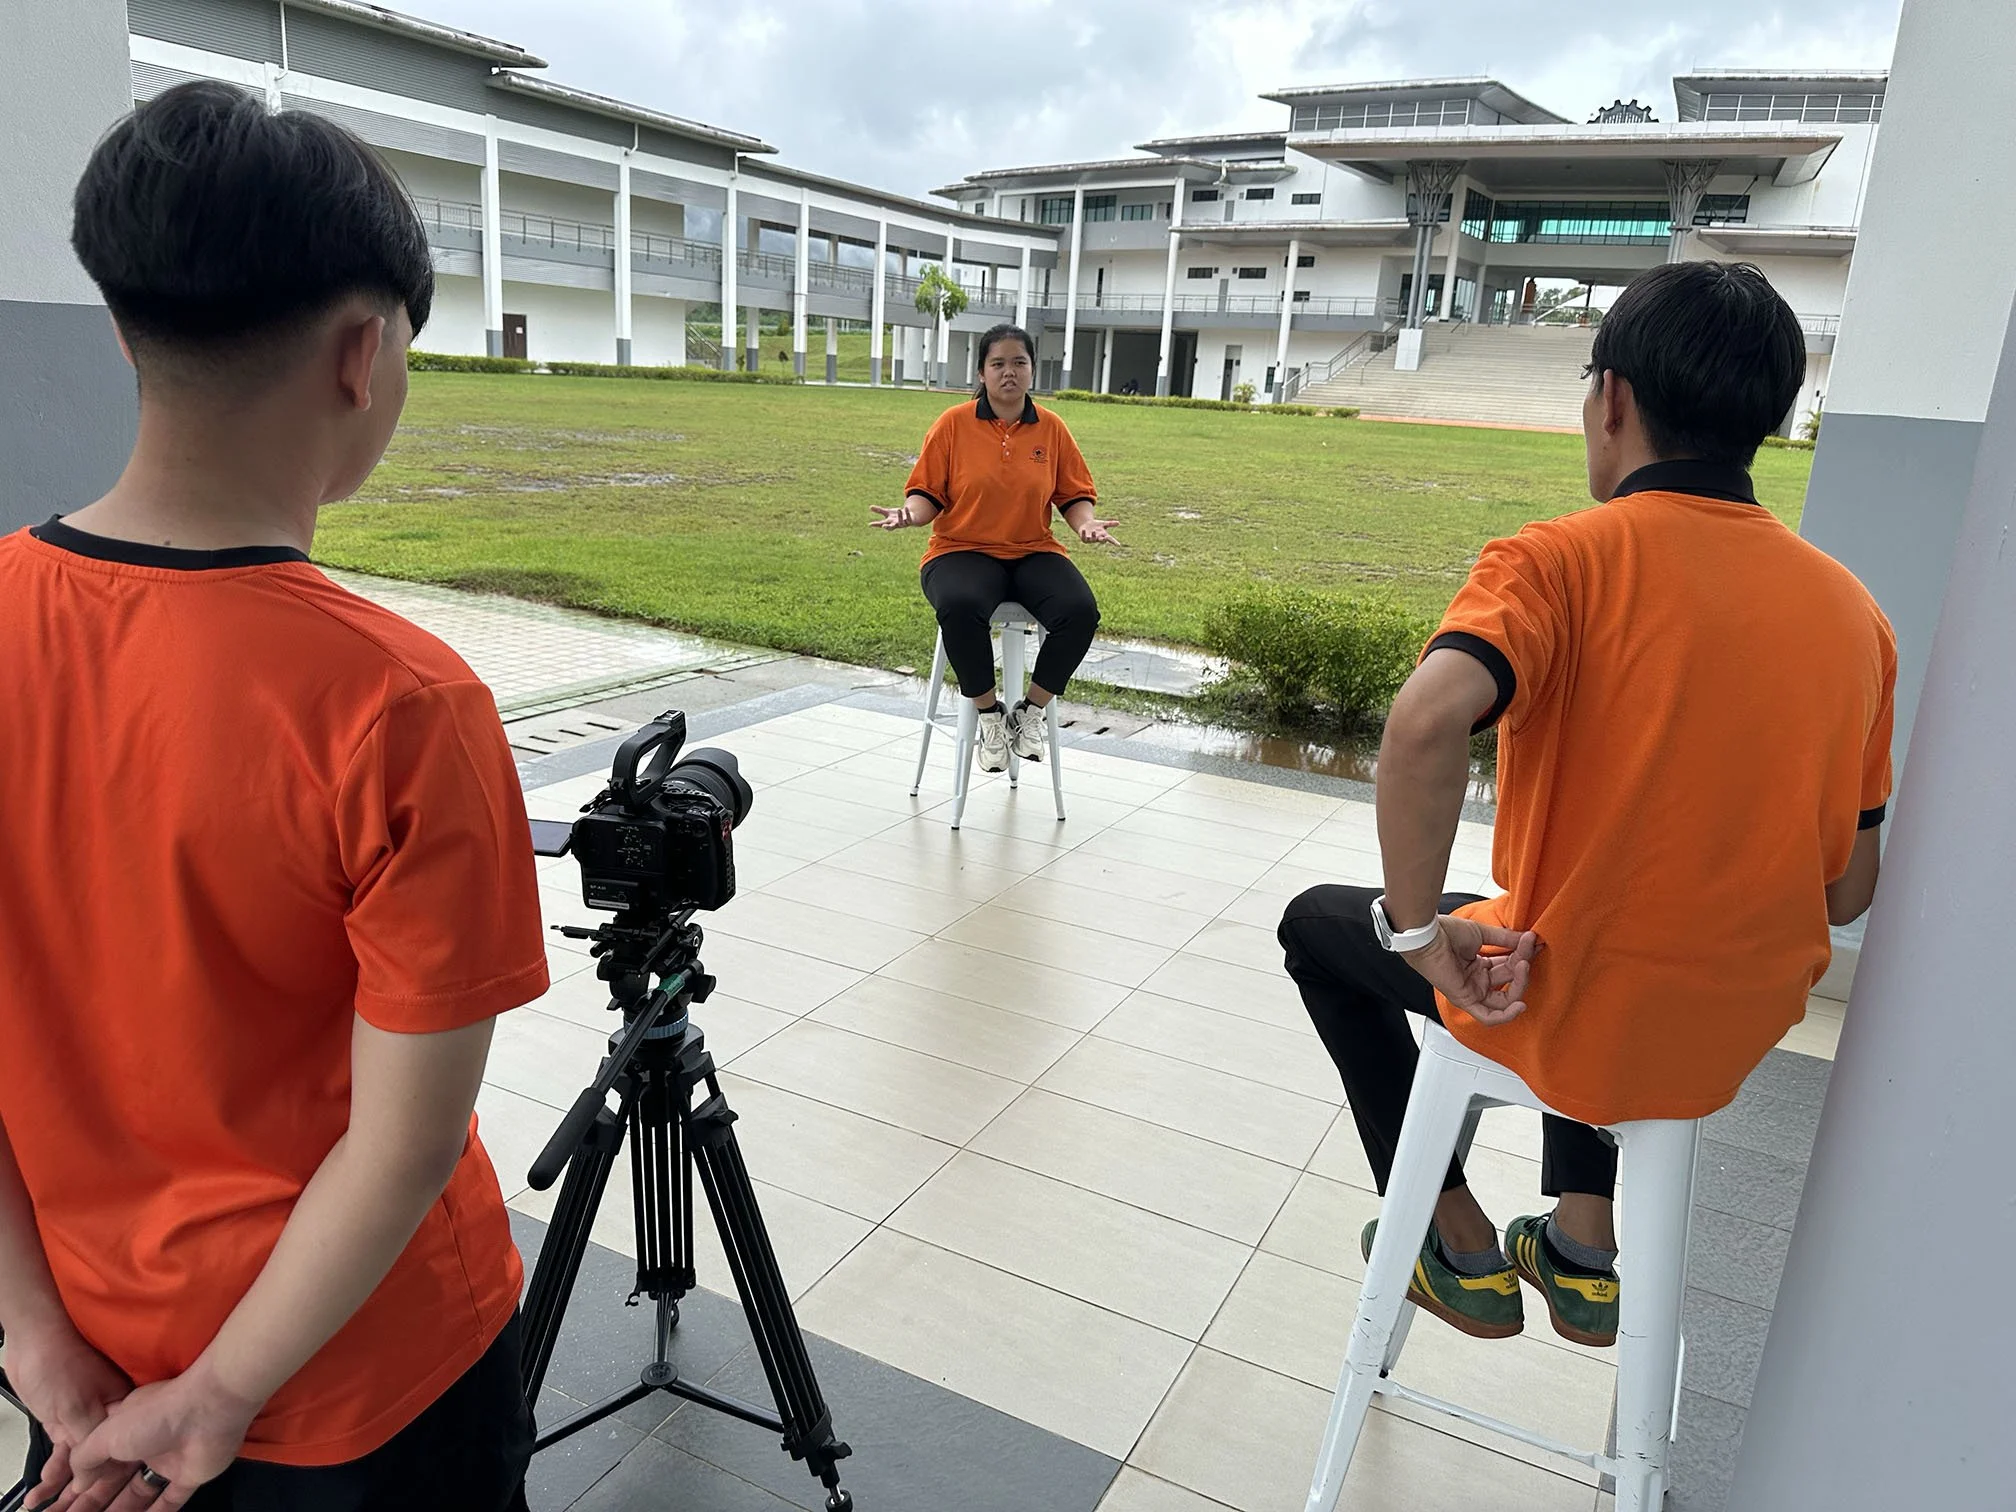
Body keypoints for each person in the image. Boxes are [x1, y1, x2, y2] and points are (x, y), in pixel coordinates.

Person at [0, 82, 548, 1511]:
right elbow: (406, 1141)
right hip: (366, 1386)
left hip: (92, 1360)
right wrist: (221, 1398)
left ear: (123, 329)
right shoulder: (404, 705)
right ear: (363, 352)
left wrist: (31, 1335)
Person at [1278, 261, 1893, 1349]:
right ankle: (1581, 1239)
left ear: (1612, 399)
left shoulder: (1557, 562)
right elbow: (1848, 890)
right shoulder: (1856, 618)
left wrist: (1420, 935)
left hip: (1574, 1002)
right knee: (1576, 908)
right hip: (1726, 1032)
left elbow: (1423, 727)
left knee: (1329, 929)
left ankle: (1454, 1236)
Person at [872, 324, 1118, 772]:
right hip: (959, 548)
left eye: (1019, 362)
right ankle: (989, 717)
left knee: (1080, 611)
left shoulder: (1052, 428)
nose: (1009, 372)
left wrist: (1085, 525)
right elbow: (927, 493)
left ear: (1031, 371)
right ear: (982, 373)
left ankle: (1029, 712)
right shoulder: (953, 424)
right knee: (961, 605)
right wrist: (909, 513)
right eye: (998, 363)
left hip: (1031, 549)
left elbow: (1073, 495)